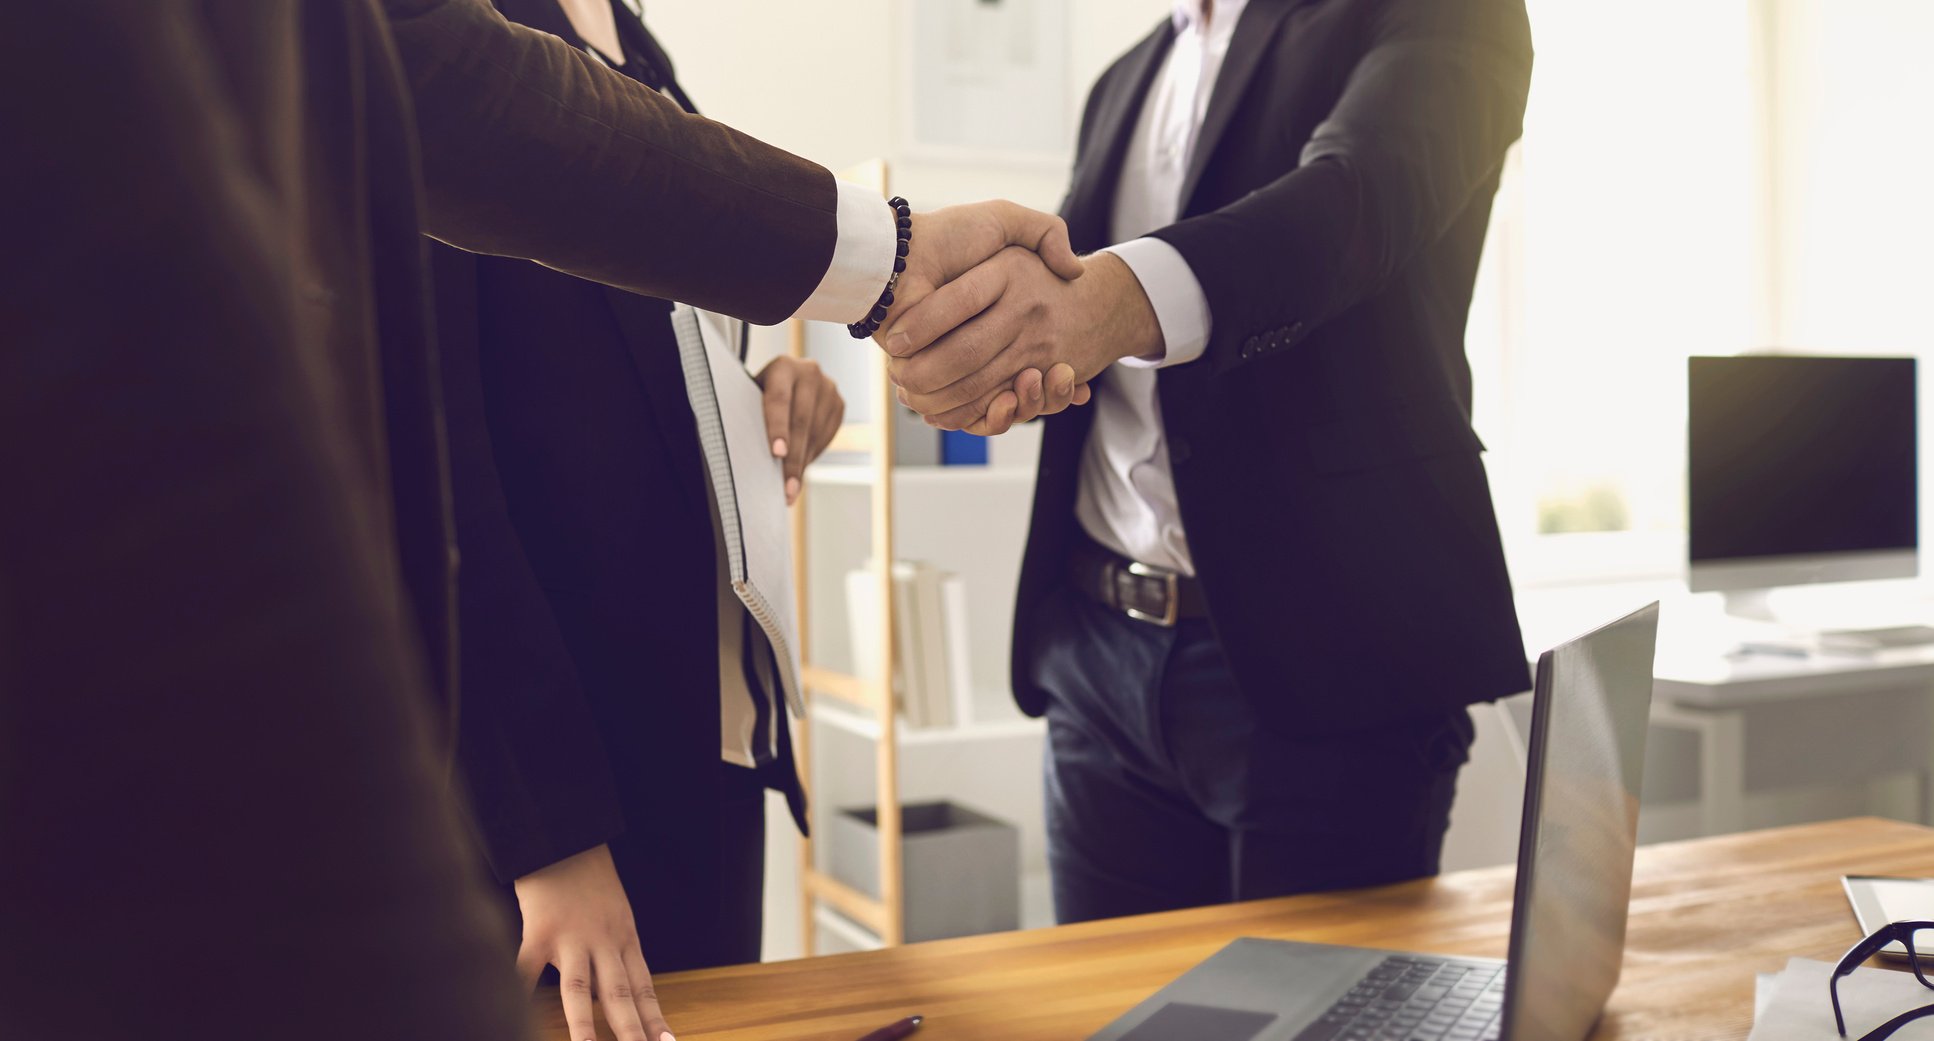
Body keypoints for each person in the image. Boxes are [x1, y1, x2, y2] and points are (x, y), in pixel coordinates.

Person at [0, 3, 1078, 1039]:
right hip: (559, 753)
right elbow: (442, 455)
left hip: (696, 724)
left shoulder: (642, 46)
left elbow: (652, 339)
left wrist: (770, 384)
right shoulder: (446, 42)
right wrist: (544, 831)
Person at [880, 0, 1534, 923]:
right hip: (1096, 662)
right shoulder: (1123, 80)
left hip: (1325, 666)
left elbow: (1351, 202)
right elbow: (1073, 332)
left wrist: (1103, 303)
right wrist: (994, 351)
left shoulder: (1444, 14)